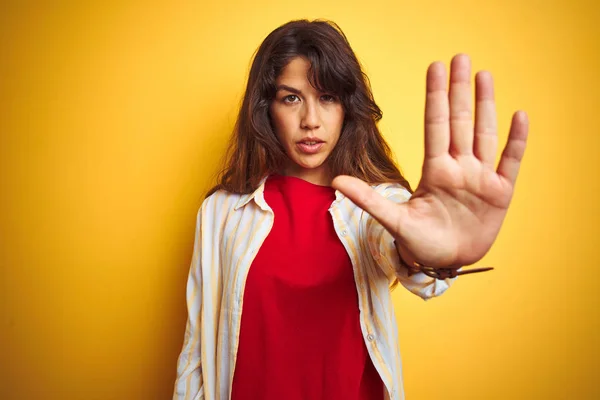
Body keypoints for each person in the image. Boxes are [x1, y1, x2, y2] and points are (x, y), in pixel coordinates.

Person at [172, 19, 529, 400]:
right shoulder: (221, 213)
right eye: (291, 98)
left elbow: (394, 242)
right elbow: (197, 352)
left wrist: (430, 252)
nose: (311, 121)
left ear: (347, 108)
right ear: (266, 109)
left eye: (328, 98)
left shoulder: (374, 206)